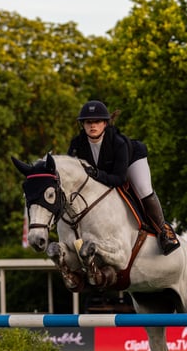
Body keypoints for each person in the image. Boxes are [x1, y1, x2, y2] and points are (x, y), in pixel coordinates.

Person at [67, 100, 180, 255]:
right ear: (83, 125)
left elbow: (119, 179)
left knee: (143, 189)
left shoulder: (118, 143)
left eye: (97, 121)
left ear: (105, 124)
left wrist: (98, 174)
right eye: (88, 122)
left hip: (132, 160)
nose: (93, 126)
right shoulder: (76, 145)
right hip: (105, 173)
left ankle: (163, 232)